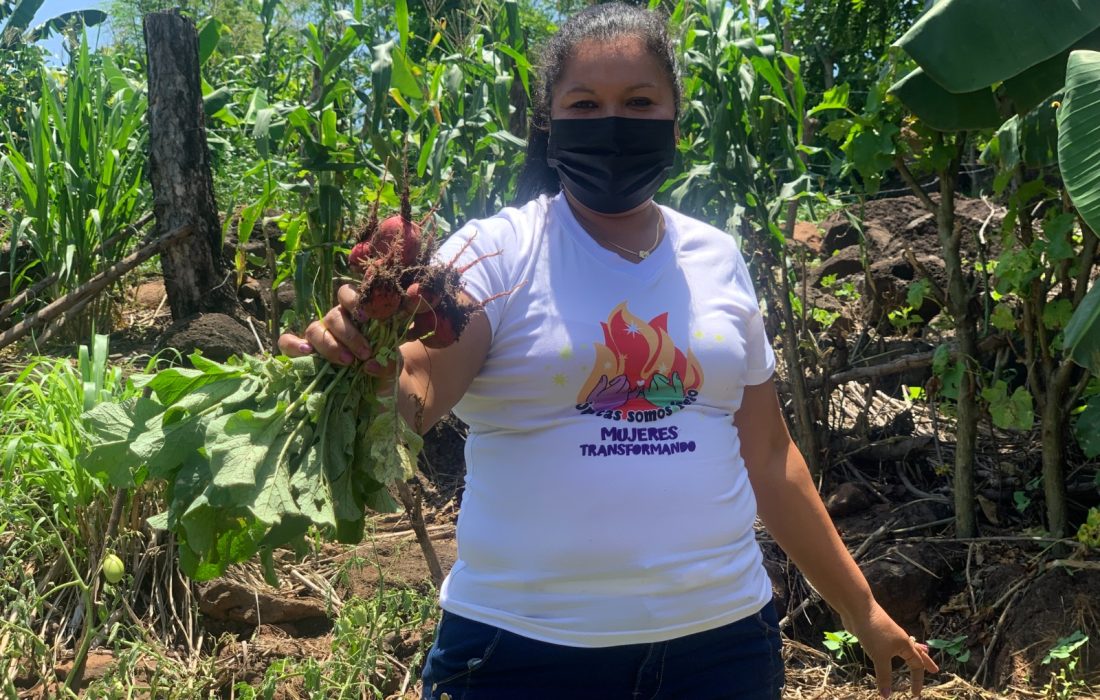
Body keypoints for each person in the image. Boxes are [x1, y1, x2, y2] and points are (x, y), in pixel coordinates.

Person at [279, 3, 938, 698]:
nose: (613, 123)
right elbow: (420, 385)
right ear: (550, 123)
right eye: (586, 104)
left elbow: (771, 456)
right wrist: (368, 365)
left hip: (722, 649)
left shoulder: (716, 257)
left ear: (675, 122)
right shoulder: (497, 252)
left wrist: (861, 609)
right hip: (521, 653)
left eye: (639, 102)